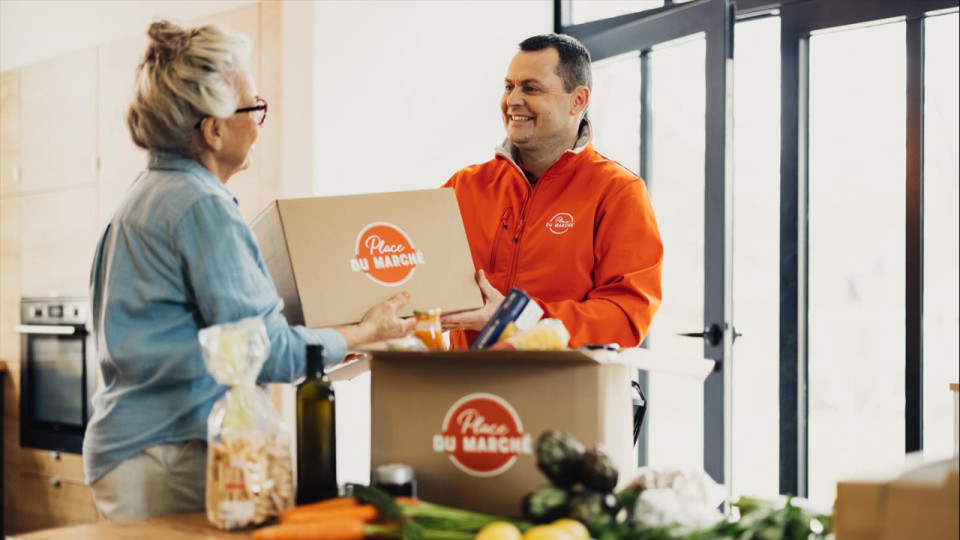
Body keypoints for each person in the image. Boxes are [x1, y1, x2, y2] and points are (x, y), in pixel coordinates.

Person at [83, 20, 414, 521]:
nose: (260, 122)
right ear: (213, 129)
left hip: (134, 448)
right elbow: (266, 353)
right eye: (254, 107)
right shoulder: (200, 204)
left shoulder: (148, 193)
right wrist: (367, 330)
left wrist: (332, 340)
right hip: (168, 455)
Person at [441, 34, 662, 349]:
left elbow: (626, 313)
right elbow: (413, 275)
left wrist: (513, 320)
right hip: (467, 392)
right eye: (508, 87)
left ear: (579, 101)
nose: (513, 100)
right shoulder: (462, 186)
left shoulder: (617, 192)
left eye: (530, 88)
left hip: (562, 392)